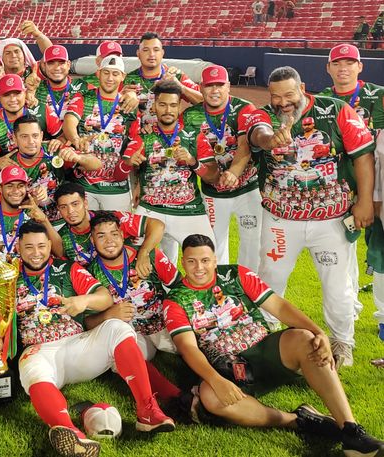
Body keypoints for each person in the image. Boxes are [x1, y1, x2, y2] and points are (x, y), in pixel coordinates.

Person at [164, 234, 384, 457]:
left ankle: (351, 430)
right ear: (183, 262)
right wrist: (215, 380)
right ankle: (298, 420)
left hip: (263, 349)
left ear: (214, 259)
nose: (199, 268)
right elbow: (188, 348)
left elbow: (279, 307)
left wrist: (319, 332)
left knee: (306, 339)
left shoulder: (234, 275)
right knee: (210, 397)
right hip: (228, 368)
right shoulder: (176, 299)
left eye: (205, 260)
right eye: (191, 261)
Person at [0, 221, 174, 456]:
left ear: (49, 244)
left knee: (117, 327)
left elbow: (104, 297)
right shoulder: (7, 275)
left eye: (41, 246)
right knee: (32, 368)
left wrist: (84, 301)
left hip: (79, 344)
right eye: (29, 247)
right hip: (40, 349)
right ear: (18, 247)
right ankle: (71, 433)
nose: (36, 253)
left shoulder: (67, 268)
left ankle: (147, 410)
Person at [246, 66, 375, 368]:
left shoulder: (336, 110)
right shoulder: (263, 116)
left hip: (331, 220)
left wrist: (365, 201)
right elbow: (256, 134)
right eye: (276, 96)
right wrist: (269, 140)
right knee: (271, 277)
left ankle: (342, 342)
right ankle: (264, 334)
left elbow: (363, 157)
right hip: (281, 219)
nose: (283, 102)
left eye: (289, 94)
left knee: (337, 284)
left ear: (302, 88)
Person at [82, 211, 182, 402]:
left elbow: (181, 287)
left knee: (193, 338)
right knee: (119, 356)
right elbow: (87, 323)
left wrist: (177, 319)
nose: (109, 241)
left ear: (122, 234)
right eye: (101, 236)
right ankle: (175, 397)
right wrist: (109, 314)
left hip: (162, 323)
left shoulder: (149, 256)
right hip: (132, 333)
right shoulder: (90, 274)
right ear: (92, 240)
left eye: (114, 234)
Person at [320, 44, 384, 337]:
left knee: (380, 250)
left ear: (360, 66)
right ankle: (349, 308)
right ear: (328, 68)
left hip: (378, 185)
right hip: (338, 187)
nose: (343, 68)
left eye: (349, 63)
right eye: (337, 63)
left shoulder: (378, 96)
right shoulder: (322, 100)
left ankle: (382, 316)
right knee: (342, 248)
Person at [123, 79, 218, 265]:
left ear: (179, 106)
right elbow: (125, 163)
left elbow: (213, 177)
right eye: (162, 105)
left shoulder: (194, 136)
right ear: (154, 106)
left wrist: (192, 161)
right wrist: (130, 163)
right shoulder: (143, 136)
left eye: (173, 105)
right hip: (151, 209)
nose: (168, 110)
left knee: (208, 260)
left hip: (188, 210)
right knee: (131, 259)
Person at [181, 65, 264, 272]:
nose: (215, 90)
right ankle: (220, 285)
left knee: (252, 242)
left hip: (247, 189)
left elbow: (245, 144)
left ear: (228, 86)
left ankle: (248, 285)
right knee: (213, 244)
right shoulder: (190, 116)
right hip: (213, 191)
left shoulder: (244, 108)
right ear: (201, 87)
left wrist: (234, 172)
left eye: (220, 85)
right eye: (210, 86)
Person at [64, 55, 139, 211]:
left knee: (116, 226)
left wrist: (138, 183)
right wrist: (76, 139)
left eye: (115, 73)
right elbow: (69, 122)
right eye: (106, 73)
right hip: (84, 183)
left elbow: (136, 141)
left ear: (123, 76)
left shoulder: (129, 105)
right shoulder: (83, 97)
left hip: (116, 187)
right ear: (98, 73)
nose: (110, 78)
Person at [52, 182, 165, 272]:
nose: (70, 211)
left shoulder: (111, 220)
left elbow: (157, 226)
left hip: (131, 277)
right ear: (58, 209)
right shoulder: (60, 238)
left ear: (85, 203)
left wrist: (144, 252)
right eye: (63, 207)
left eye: (75, 204)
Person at [10, 114, 99, 227]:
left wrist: (78, 158)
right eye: (24, 136)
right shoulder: (10, 165)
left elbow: (97, 165)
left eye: (35, 135)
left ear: (41, 136)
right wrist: (34, 199)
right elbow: (12, 206)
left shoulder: (53, 150)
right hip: (33, 225)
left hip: (65, 221)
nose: (31, 141)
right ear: (14, 138)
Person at [123, 33, 202, 132]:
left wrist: (181, 87)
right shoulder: (128, 79)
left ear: (162, 53)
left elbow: (205, 101)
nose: (151, 54)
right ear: (138, 53)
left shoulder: (176, 76)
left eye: (156, 50)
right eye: (146, 50)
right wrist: (122, 95)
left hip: (170, 136)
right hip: (137, 136)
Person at [0, 74, 39, 176]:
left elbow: (63, 137)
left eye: (17, 93)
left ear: (25, 93)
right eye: (6, 95)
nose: (12, 99)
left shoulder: (40, 111)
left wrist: (58, 141)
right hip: (13, 179)